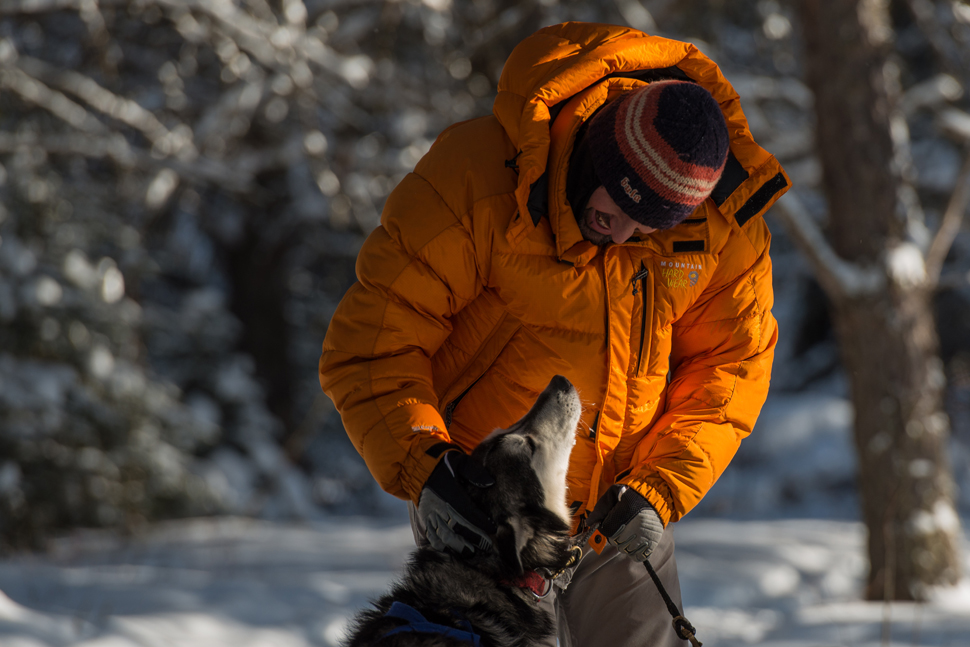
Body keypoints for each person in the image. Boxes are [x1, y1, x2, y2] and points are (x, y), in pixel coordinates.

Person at [320, 21, 789, 647]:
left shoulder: (726, 226)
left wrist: (659, 492)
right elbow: (372, 347)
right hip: (485, 516)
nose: (623, 235)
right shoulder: (476, 181)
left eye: (648, 227)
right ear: (599, 150)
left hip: (619, 518)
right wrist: (427, 469)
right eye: (615, 210)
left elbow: (732, 371)